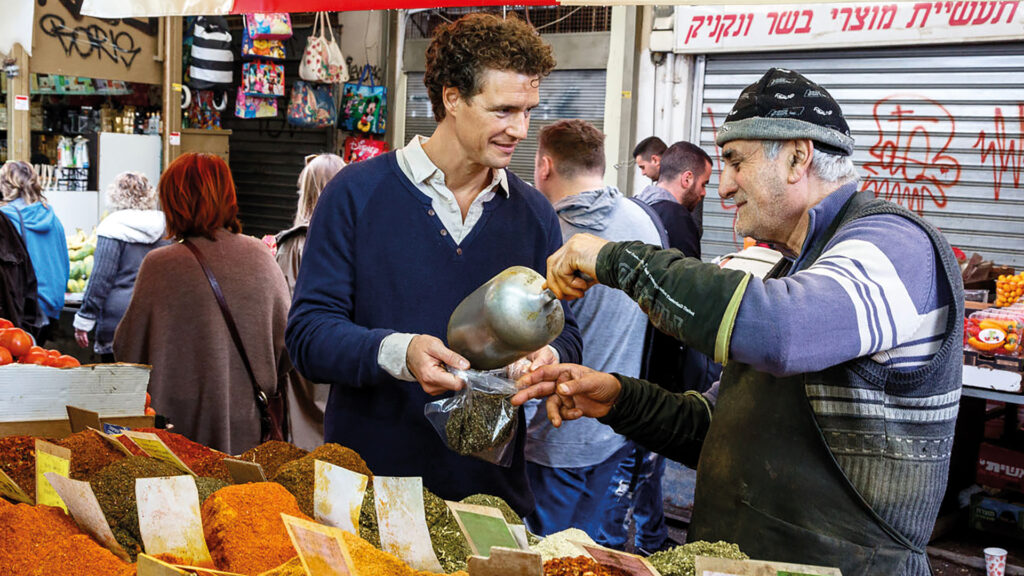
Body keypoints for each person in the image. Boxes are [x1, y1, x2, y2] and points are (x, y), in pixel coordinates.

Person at [514, 68, 962, 576]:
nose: (722, 186)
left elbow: (780, 332)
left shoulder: (894, 244)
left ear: (798, 157)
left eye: (735, 161)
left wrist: (619, 260)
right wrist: (618, 398)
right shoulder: (790, 264)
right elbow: (719, 427)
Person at [286, 12, 582, 517]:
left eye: (529, 110)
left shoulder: (534, 214)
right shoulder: (355, 195)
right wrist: (400, 353)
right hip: (367, 498)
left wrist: (547, 357)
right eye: (503, 110)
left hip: (491, 501)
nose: (520, 129)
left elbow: (565, 330)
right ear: (451, 98)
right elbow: (308, 337)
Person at [525, 119, 661, 541]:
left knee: (544, 556)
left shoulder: (550, 235)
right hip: (617, 420)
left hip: (555, 434)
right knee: (594, 553)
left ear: (544, 165)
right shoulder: (644, 221)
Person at [115, 153, 293, 454]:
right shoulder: (262, 257)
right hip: (247, 431)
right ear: (228, 196)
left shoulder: (160, 265)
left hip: (174, 437)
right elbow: (289, 349)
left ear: (172, 202)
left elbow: (127, 351)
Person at [275, 153, 345, 450]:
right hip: (345, 360)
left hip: (305, 369)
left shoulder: (294, 244)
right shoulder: (355, 240)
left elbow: (282, 312)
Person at [73, 172, 169, 362]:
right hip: (157, 320)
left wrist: (85, 319)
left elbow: (101, 279)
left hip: (118, 320)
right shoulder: (166, 227)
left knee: (117, 385)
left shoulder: (112, 227)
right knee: (150, 386)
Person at [0, 161, 69, 344]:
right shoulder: (52, 218)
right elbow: (64, 264)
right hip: (50, 308)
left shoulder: (5, 220)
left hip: (24, 309)